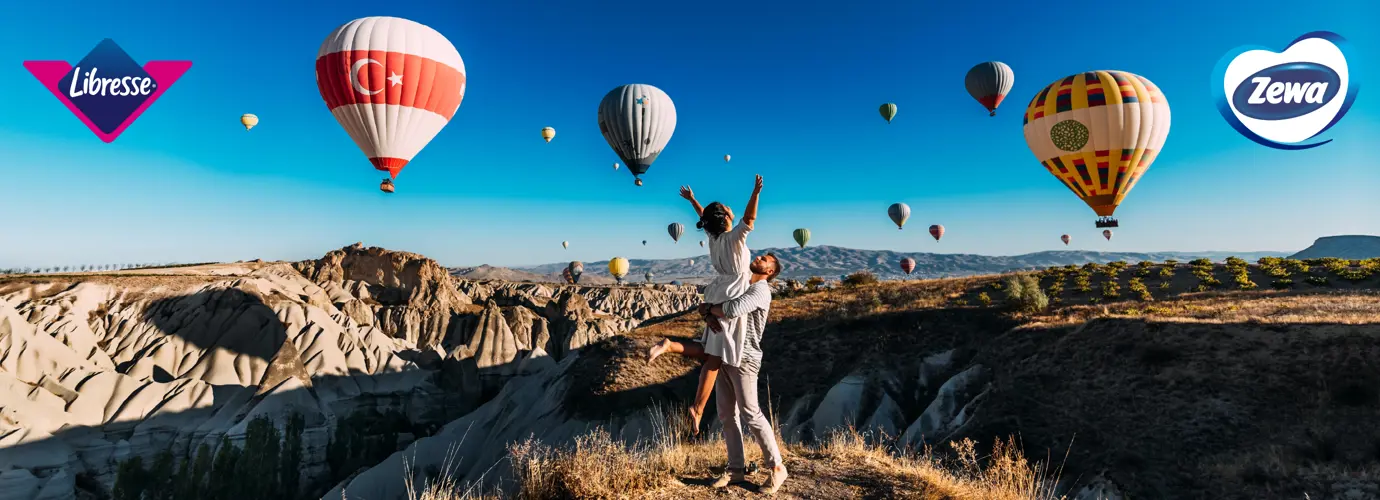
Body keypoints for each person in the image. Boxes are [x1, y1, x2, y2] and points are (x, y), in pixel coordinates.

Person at [648, 175, 762, 435]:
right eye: (728, 209)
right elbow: (750, 218)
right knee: (715, 357)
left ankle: (672, 349)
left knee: (711, 352)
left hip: (718, 292)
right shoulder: (734, 238)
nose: (731, 209)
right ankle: (697, 408)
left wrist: (692, 200)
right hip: (733, 295)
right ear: (726, 218)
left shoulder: (714, 238)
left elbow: (705, 217)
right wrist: (755, 192)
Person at [703, 252, 787, 493]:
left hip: (745, 358)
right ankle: (736, 469)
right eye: (760, 255)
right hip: (725, 354)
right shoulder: (741, 286)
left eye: (765, 259)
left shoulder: (761, 290)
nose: (759, 257)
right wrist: (709, 310)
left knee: (751, 413)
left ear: (770, 271)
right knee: (726, 414)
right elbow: (716, 304)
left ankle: (777, 467)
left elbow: (732, 309)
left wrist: (709, 308)